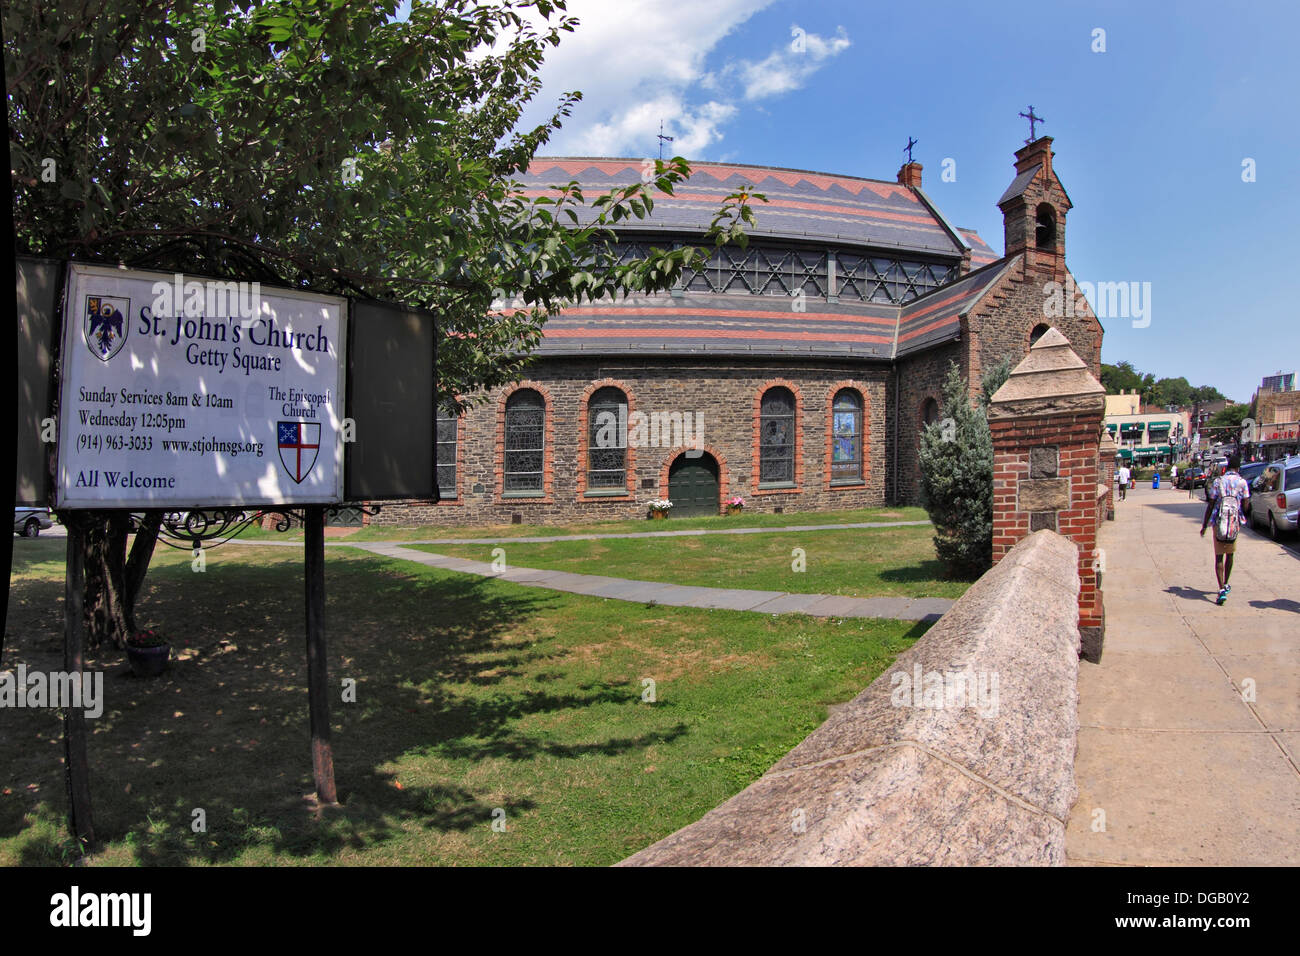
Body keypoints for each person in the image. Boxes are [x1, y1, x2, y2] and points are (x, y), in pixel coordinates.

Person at [1200, 453, 1249, 605]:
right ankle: (1226, 583)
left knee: (1219, 556)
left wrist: (1204, 525)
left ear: (1227, 467)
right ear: (1238, 467)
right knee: (1230, 554)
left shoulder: (1218, 481)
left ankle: (1221, 588)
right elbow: (1246, 504)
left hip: (1218, 522)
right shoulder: (1242, 482)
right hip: (1234, 523)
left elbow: (1211, 504)